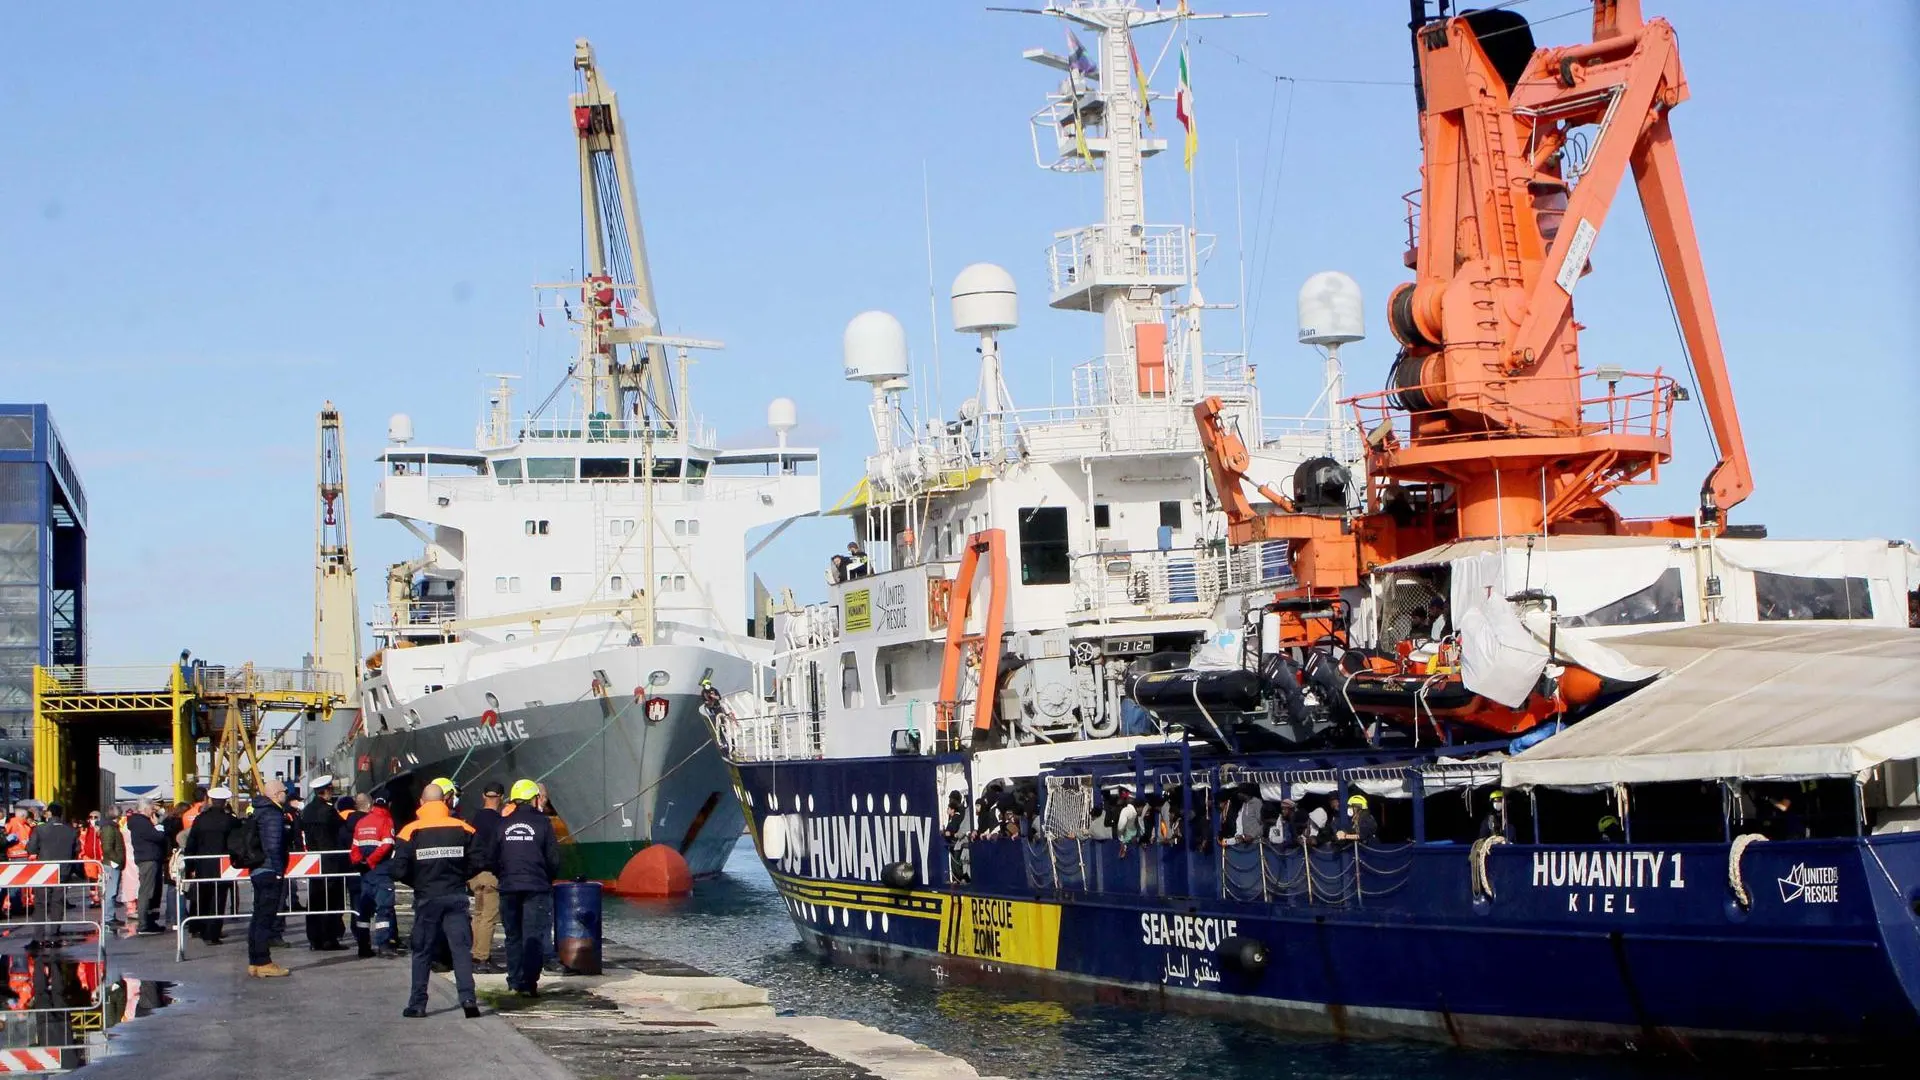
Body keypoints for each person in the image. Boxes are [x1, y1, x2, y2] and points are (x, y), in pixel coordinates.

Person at [389, 783, 481, 1018]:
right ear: (445, 802)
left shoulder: (410, 831)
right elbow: (480, 861)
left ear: (421, 803)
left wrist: (419, 881)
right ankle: (468, 999)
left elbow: (398, 870)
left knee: (422, 951)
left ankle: (418, 1004)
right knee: (460, 949)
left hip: (427, 898)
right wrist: (460, 876)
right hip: (455, 896)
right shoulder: (463, 828)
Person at [492, 779, 558, 998]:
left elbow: (492, 857)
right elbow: (553, 859)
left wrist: (503, 875)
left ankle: (514, 980)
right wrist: (546, 878)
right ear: (535, 798)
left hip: (509, 886)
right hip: (536, 886)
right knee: (533, 936)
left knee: (512, 936)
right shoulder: (543, 824)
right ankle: (530, 983)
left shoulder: (502, 824)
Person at [246, 779, 297, 978]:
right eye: (284, 791)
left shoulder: (259, 811)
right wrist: (278, 871)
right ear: (276, 794)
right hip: (269, 870)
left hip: (258, 869)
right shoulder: (273, 814)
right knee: (266, 917)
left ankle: (255, 961)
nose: (286, 794)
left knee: (258, 916)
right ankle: (264, 961)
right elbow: (274, 845)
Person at [298, 775, 348, 951]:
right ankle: (329, 938)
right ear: (326, 791)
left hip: (313, 860)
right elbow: (342, 830)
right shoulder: (328, 811)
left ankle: (314, 938)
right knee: (332, 901)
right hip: (331, 861)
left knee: (315, 900)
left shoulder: (307, 811)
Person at [183, 787, 237, 945]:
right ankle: (212, 933)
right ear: (225, 802)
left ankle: (198, 926)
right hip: (223, 865)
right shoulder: (230, 821)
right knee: (218, 900)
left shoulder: (200, 819)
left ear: (211, 800)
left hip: (203, 864)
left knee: (202, 897)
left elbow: (191, 842)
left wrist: (189, 864)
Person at [463, 780, 507, 973]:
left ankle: (474, 954)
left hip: (474, 874)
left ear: (483, 796)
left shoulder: (474, 819)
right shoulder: (500, 822)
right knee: (489, 916)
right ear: (502, 798)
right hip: (491, 874)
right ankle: (482, 959)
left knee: (478, 915)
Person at [350, 793, 399, 958]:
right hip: (381, 870)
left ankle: (363, 946)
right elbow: (387, 845)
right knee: (383, 910)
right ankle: (383, 945)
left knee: (364, 911)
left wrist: (360, 862)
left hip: (365, 873)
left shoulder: (362, 822)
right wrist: (371, 860)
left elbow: (354, 847)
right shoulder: (387, 821)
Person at [26, 803, 79, 923]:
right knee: (58, 902)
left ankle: (39, 936)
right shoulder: (71, 830)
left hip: (44, 870)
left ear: (49, 813)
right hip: (63, 870)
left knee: (41, 903)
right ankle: (55, 932)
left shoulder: (40, 829)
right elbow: (76, 849)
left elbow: (31, 848)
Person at [126, 800, 167, 934]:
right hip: (148, 859)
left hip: (148, 858)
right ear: (145, 808)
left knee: (152, 891)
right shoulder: (141, 822)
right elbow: (157, 837)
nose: (152, 811)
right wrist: (159, 826)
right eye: (151, 808)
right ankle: (144, 924)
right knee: (146, 891)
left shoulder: (139, 822)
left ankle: (150, 921)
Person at [98, 807, 127, 931]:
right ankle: (108, 918)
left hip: (113, 862)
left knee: (112, 891)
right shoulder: (109, 828)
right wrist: (118, 859)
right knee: (111, 891)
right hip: (112, 863)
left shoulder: (110, 827)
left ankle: (110, 916)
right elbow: (108, 848)